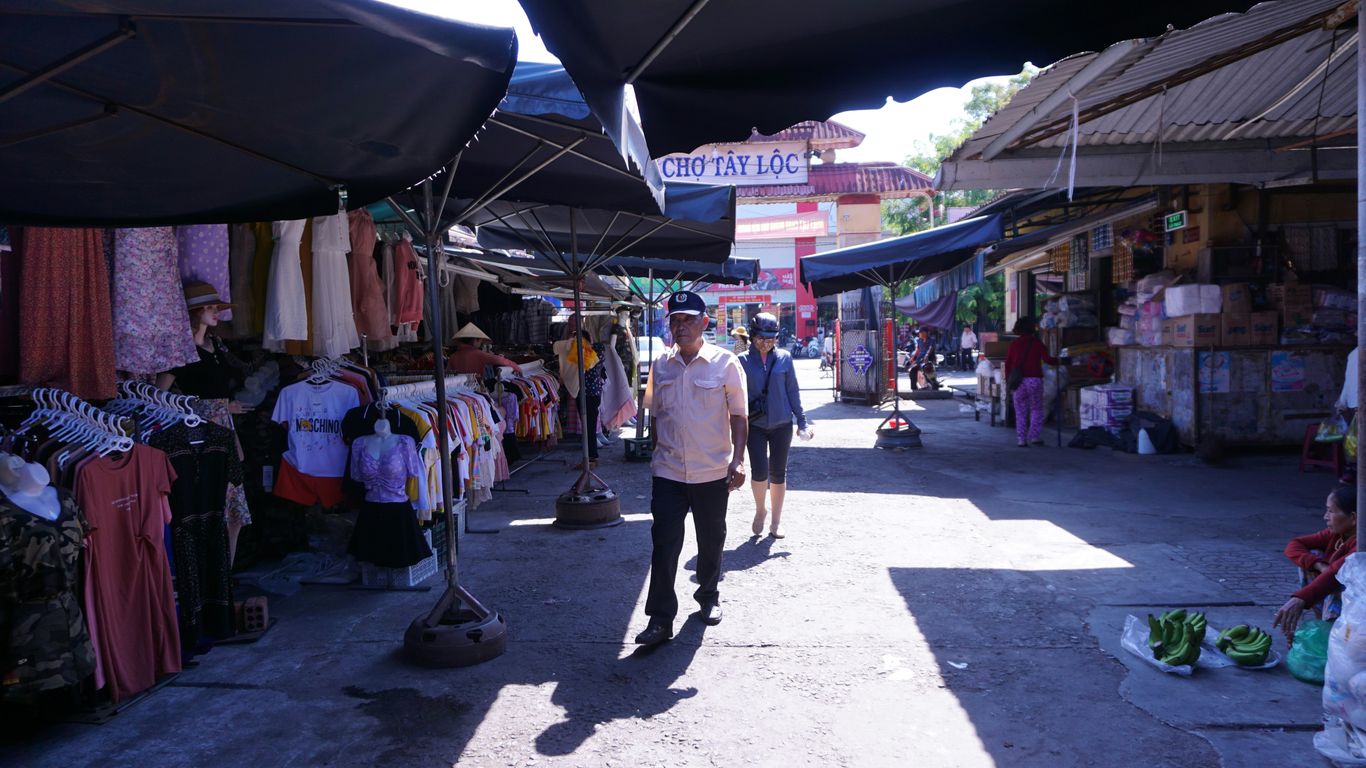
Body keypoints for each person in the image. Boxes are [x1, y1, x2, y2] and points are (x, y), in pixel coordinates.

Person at [635, 291, 748, 646]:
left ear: (704, 323)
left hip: (711, 472)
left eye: (688, 319)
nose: (680, 326)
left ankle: (708, 597)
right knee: (664, 544)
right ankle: (660, 619)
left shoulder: (726, 363)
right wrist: (655, 455)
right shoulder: (660, 366)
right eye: (675, 320)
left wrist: (738, 459)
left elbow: (740, 416)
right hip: (668, 472)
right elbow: (654, 413)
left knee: (711, 540)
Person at [156, 281, 253, 564]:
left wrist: (225, 408)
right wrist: (200, 407)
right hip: (197, 430)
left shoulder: (216, 347)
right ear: (195, 311)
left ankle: (226, 571)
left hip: (223, 426)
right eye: (209, 307)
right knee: (210, 499)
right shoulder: (181, 353)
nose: (215, 313)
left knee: (233, 505)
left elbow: (220, 392)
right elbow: (159, 397)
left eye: (216, 307)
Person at [739, 313, 810, 539]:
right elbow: (733, 396)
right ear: (752, 336)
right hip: (755, 425)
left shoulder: (785, 358)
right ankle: (761, 510)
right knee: (759, 471)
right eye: (761, 337)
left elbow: (793, 391)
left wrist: (802, 422)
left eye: (771, 337)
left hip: (782, 424)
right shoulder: (740, 361)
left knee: (779, 473)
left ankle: (776, 523)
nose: (766, 342)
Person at [1275, 485, 1358, 642]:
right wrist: (1318, 565)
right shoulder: (1339, 534)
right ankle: (1321, 623)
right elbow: (1294, 545)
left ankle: (1331, 632)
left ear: (1353, 518)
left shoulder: (1360, 544)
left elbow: (1335, 573)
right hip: (1332, 577)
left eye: (1331, 511)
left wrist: (1301, 599)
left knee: (1335, 582)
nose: (1325, 517)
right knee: (1312, 556)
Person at [554, 327, 607, 469]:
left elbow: (558, 346)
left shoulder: (584, 354)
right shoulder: (598, 350)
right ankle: (592, 458)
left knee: (588, 428)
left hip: (585, 395)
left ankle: (589, 460)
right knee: (589, 427)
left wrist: (574, 344)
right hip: (594, 394)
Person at [1004, 317, 1057, 448]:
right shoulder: (1037, 343)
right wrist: (1060, 361)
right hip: (1034, 380)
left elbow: (1008, 364)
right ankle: (1034, 436)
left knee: (1020, 411)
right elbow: (1048, 360)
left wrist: (1008, 381)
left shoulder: (1014, 345)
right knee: (1036, 409)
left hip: (1018, 382)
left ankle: (1021, 439)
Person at [446, 322, 523, 376]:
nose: (481, 343)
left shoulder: (453, 356)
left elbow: (448, 374)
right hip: (476, 388)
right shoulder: (479, 354)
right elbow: (500, 360)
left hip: (457, 391)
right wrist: (516, 367)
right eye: (480, 340)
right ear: (475, 340)